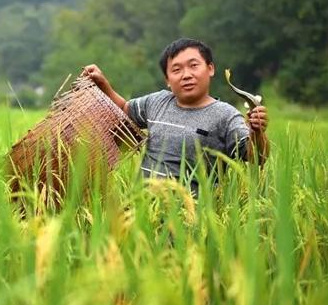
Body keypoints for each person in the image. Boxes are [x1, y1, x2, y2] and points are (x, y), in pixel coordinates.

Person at [82, 37, 269, 192]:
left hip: (190, 218)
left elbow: (256, 157)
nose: (186, 75)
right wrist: (103, 84)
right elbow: (124, 111)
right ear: (168, 80)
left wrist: (257, 132)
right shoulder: (157, 102)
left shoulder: (225, 115)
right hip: (143, 213)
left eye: (193, 65)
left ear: (210, 68)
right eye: (176, 70)